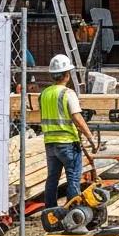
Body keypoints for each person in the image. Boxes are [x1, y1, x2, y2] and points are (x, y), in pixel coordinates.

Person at [39, 54, 96, 208]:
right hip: (68, 144)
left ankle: (50, 213)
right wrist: (90, 138)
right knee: (73, 178)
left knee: (52, 179)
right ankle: (73, 212)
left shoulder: (44, 94)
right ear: (66, 75)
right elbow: (77, 118)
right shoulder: (67, 94)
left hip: (50, 143)